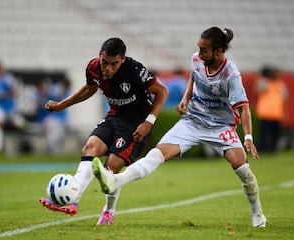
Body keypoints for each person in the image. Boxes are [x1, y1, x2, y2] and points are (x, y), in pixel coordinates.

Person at [92, 27, 267, 228]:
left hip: (220, 126)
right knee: (157, 154)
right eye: (198, 48)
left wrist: (248, 138)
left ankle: (257, 213)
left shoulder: (231, 75)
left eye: (204, 50)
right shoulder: (196, 60)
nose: (199, 54)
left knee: (242, 168)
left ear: (218, 52)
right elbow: (194, 78)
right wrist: (186, 98)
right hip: (193, 120)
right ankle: (116, 180)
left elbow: (244, 108)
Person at [38, 38, 169, 224]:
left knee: (111, 167)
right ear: (100, 55)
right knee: (89, 148)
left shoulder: (134, 70)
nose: (108, 68)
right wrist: (61, 105)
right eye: (104, 62)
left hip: (136, 123)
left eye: (113, 64)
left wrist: (149, 122)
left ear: (122, 60)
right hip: (114, 116)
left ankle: (109, 210)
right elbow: (90, 88)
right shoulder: (93, 67)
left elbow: (162, 91)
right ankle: (73, 200)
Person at [0, 62, 24, 154]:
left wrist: (7, 94)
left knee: (20, 123)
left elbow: (15, 91)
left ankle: (23, 147)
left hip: (10, 107)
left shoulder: (8, 78)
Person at [255, 66, 288, 153]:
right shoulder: (265, 82)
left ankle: (272, 149)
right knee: (263, 134)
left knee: (275, 135)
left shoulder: (280, 84)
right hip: (265, 113)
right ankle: (262, 150)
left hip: (277, 114)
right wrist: (263, 76)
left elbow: (285, 97)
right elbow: (259, 88)